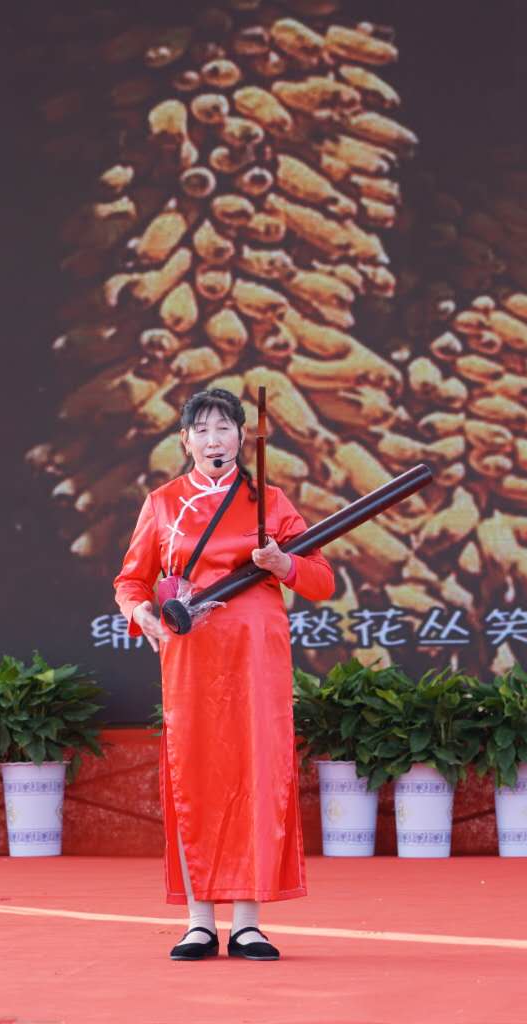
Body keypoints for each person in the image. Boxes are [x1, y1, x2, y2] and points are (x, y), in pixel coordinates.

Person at [112, 388, 335, 961]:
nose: (215, 440)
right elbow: (130, 581)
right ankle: (198, 921)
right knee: (197, 775)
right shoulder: (162, 503)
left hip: (256, 656)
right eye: (202, 430)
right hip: (191, 656)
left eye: (225, 429)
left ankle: (249, 921)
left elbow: (322, 579)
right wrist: (142, 614)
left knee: (255, 772)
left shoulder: (271, 501)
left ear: (243, 437)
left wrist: (283, 564)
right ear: (185, 441)